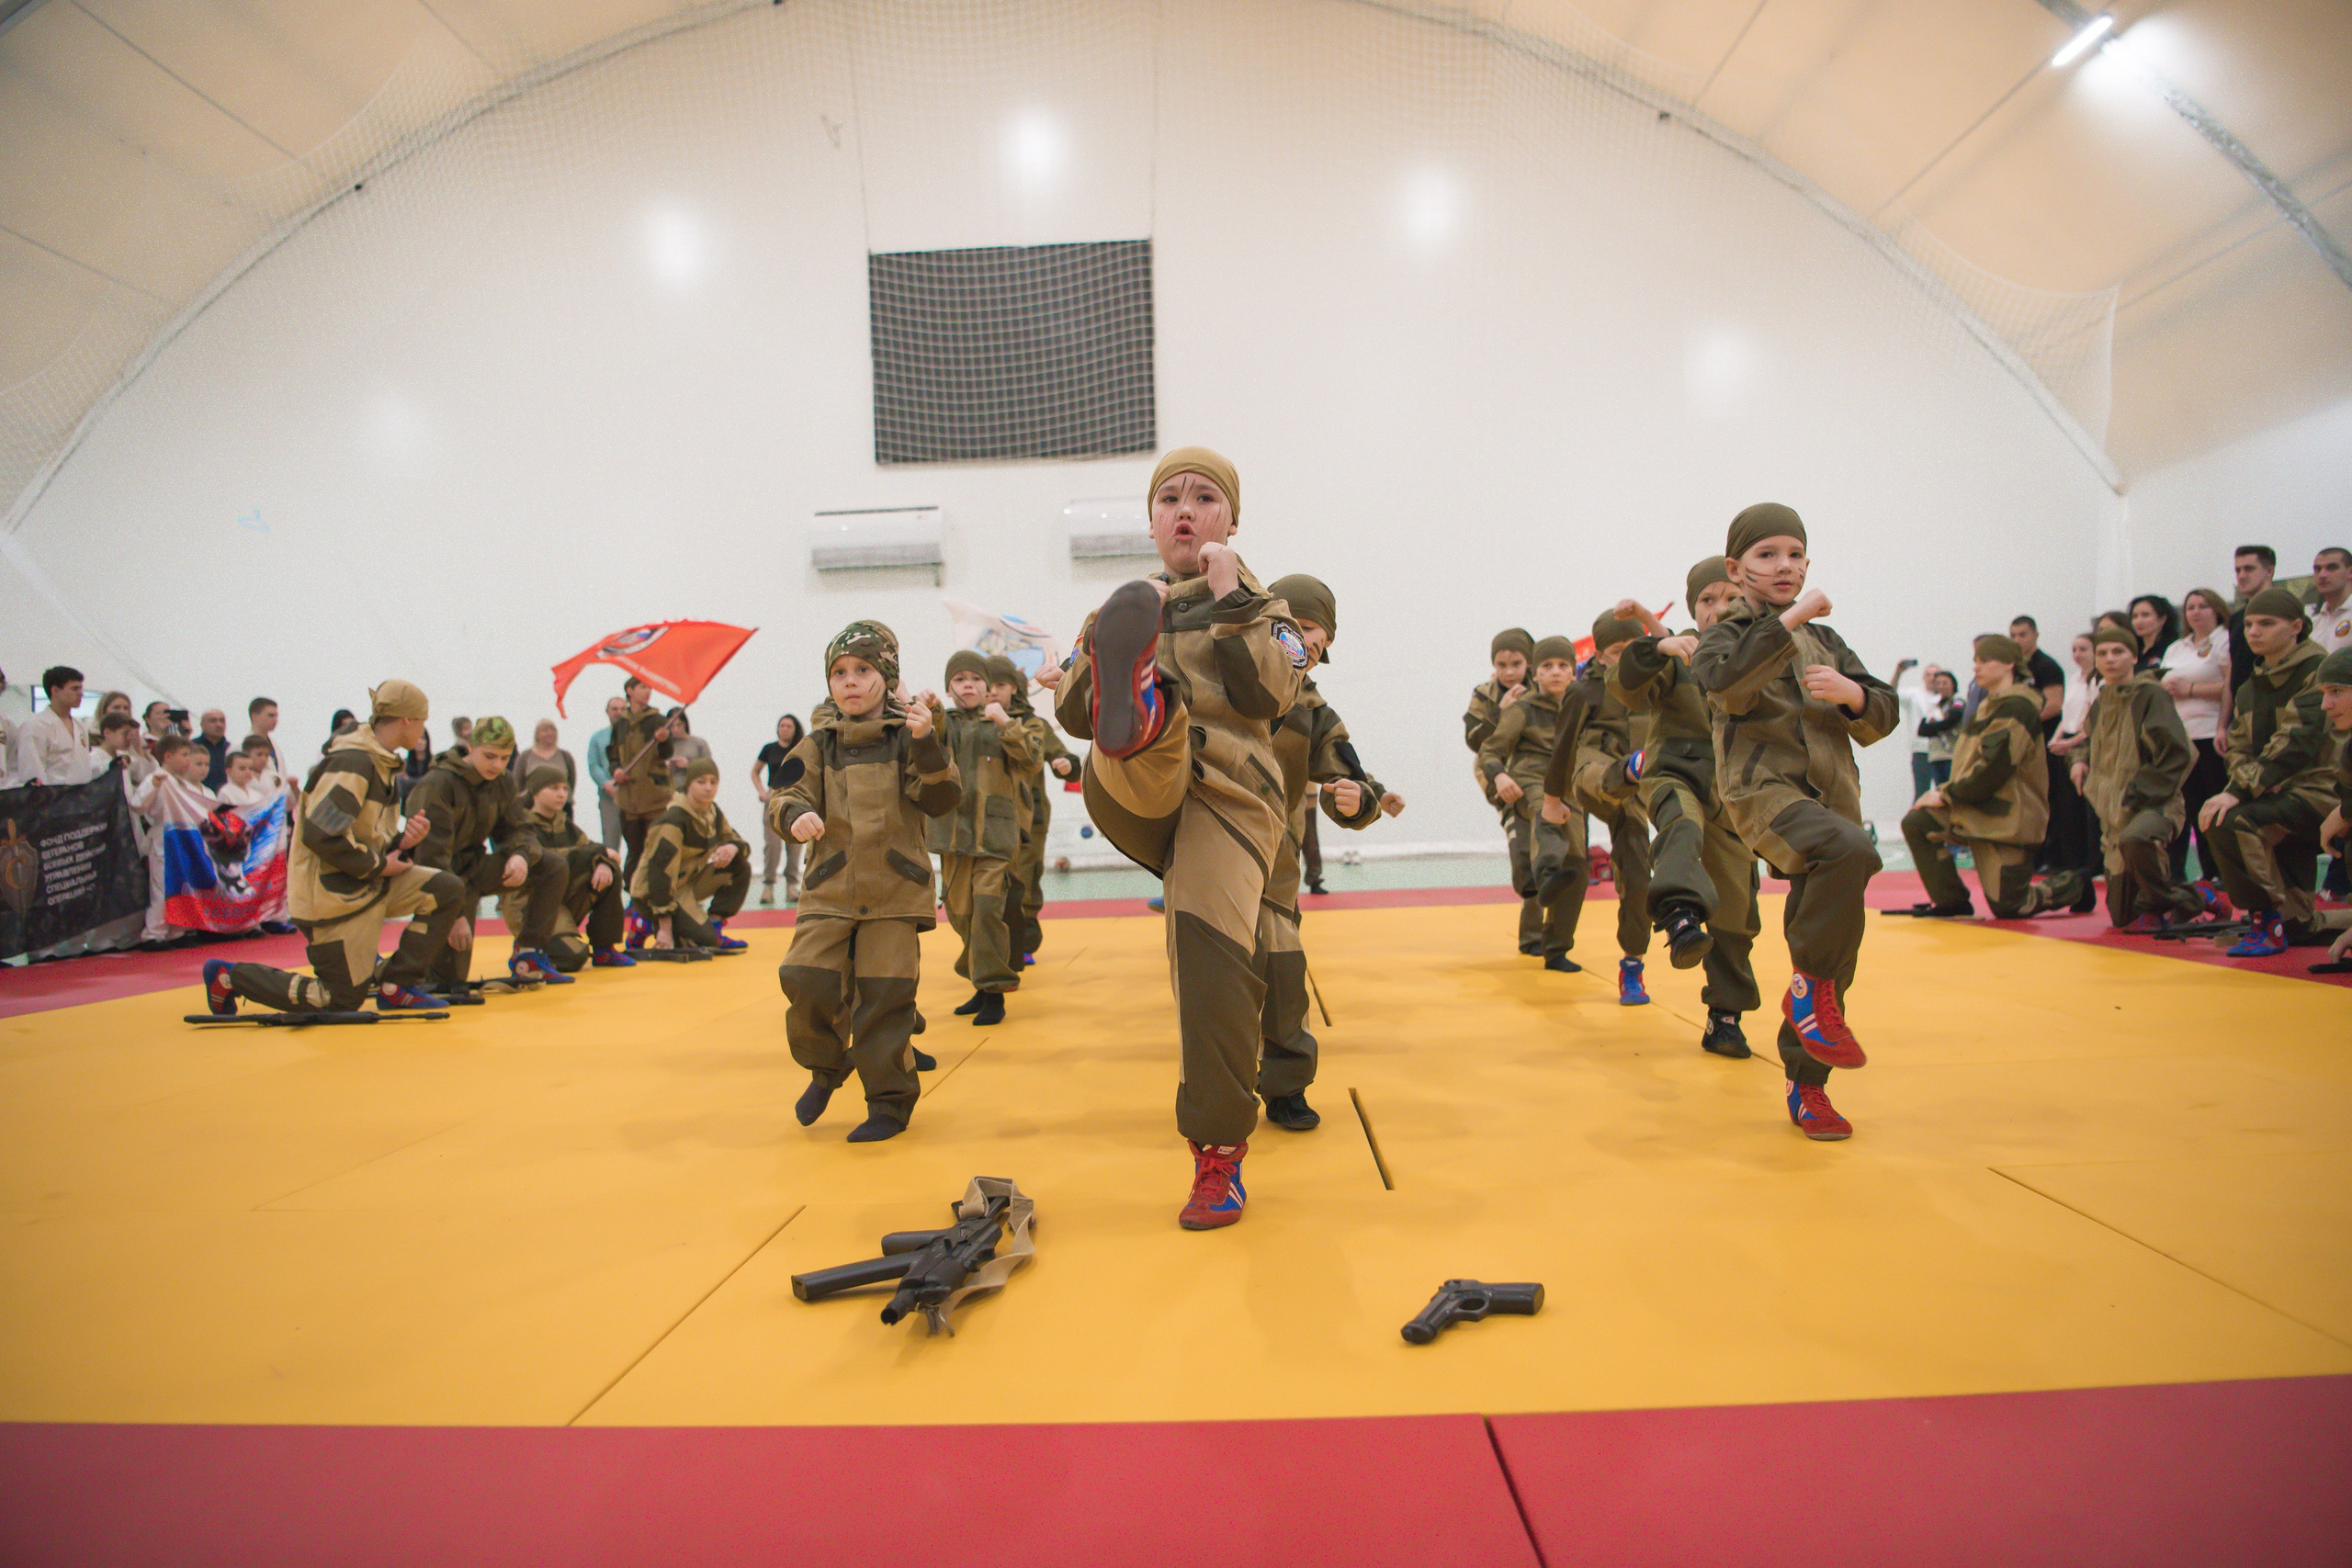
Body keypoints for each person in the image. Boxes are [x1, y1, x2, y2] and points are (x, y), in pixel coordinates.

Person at [1050, 446, 1308, 1228]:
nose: (1184, 510)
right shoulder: (1121, 607)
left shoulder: (1271, 612)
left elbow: (1272, 688)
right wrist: (1103, 667)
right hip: (1135, 787)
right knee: (1126, 736)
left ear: (1232, 518)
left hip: (1229, 797)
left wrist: (1231, 602)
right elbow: (1068, 708)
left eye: (1204, 497)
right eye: (1169, 498)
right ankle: (1145, 707)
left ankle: (1218, 1158)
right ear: (1153, 519)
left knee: (1206, 960)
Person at [1690, 503, 1897, 1143]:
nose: (1785, 565)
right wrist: (1794, 615)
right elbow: (1725, 685)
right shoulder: (1726, 632)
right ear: (1738, 568)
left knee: (1835, 956)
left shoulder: (1828, 643)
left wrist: (1855, 695)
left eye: (1795, 554)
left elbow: (1883, 710)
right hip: (1763, 795)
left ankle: (1807, 1082)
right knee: (1851, 852)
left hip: (1831, 797)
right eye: (1767, 555)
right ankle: (1809, 994)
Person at [771, 621, 961, 1143]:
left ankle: (889, 1104)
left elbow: (942, 799)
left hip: (894, 892)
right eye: (838, 673)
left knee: (885, 998)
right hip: (830, 888)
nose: (849, 682)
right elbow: (785, 794)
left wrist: (926, 743)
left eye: (862, 670)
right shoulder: (817, 745)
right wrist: (793, 817)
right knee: (804, 978)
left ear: (887, 676)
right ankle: (827, 1066)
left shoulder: (909, 738)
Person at [202, 681, 468, 1017]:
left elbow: (361, 836)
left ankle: (394, 984)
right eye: (421, 722)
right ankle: (229, 976)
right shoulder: (354, 763)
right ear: (405, 721)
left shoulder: (379, 762)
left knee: (445, 888)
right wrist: (379, 866)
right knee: (337, 999)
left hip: (359, 882)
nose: (422, 731)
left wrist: (403, 843)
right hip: (330, 895)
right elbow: (321, 834)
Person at [1259, 574, 1398, 1131]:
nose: (1296, 634)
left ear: (1326, 644)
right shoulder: (1220, 681)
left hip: (1276, 863)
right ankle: (1216, 1094)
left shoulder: (1313, 708)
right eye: (1284, 621)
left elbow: (1352, 775)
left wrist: (1357, 799)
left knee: (1284, 971)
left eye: (1309, 626)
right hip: (1208, 853)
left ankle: (1287, 1085)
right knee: (1214, 981)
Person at [1606, 561, 1762, 1058]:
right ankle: (1677, 915)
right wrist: (1656, 647)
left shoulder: (1767, 652)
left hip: (1736, 795)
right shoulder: (1679, 655)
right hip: (1676, 772)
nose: (1719, 610)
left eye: (1730, 597)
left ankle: (1725, 1017)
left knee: (1737, 915)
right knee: (1680, 825)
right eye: (1706, 601)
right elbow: (1624, 685)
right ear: (1693, 609)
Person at [2036, 625, 2218, 931]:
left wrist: (2139, 794)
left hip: (2153, 805)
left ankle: (2178, 899)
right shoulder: (2102, 701)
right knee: (2123, 917)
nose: (2110, 659)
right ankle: (2193, 895)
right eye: (2103, 653)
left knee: (2137, 838)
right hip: (2112, 813)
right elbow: (2084, 741)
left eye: (2118, 651)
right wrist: (2078, 762)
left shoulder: (2151, 696)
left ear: (2134, 657)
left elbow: (2179, 754)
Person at [2201, 587, 2333, 957]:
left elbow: (2299, 740)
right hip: (2274, 793)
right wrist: (2256, 783)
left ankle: (2263, 918)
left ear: (2296, 627)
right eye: (2249, 624)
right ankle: (2283, 922)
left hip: (2322, 792)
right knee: (2302, 929)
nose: (2254, 631)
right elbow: (2238, 749)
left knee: (2225, 818)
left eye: (2266, 623)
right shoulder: (2249, 686)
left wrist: (2243, 789)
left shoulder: (2318, 671)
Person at [1904, 635, 2066, 920]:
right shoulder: (1989, 706)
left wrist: (1945, 794)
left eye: (1985, 660)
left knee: (2011, 907)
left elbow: (1995, 768)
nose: (1976, 667)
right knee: (1918, 822)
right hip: (1978, 806)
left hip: (2006, 817)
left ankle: (2072, 886)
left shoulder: (2018, 707)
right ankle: (1952, 901)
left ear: (2009, 665)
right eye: (1975, 661)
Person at [408, 716, 572, 989]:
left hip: (474, 869)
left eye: (505, 758)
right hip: (440, 879)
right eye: (490, 756)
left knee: (552, 865)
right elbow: (430, 858)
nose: (497, 765)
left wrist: (520, 854)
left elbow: (519, 829)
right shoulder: (437, 783)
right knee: (449, 981)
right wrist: (455, 915)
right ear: (471, 748)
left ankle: (529, 954)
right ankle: (387, 973)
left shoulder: (503, 781)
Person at [1544, 611, 1655, 1006]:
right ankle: (1551, 933)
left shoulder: (1658, 681)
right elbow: (1562, 749)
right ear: (1601, 654)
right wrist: (1552, 800)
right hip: (1592, 773)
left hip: (1638, 783)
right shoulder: (1583, 691)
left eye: (1634, 649)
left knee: (1638, 872)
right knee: (1598, 779)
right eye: (1617, 651)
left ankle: (1633, 965)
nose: (1628, 658)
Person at [929, 649, 1035, 1025]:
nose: (968, 685)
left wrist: (1006, 723)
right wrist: (929, 712)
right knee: (962, 915)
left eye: (975, 679)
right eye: (959, 680)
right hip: (953, 836)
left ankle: (994, 992)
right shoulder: (946, 725)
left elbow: (1031, 759)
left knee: (988, 908)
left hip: (994, 835)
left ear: (988, 687)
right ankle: (979, 982)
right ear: (949, 687)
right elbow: (927, 743)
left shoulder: (1005, 723)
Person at [1483, 636, 1587, 973]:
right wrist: (1499, 776)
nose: (1555, 672)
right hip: (1530, 780)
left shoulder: (1584, 707)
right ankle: (1547, 874)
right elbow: (1490, 749)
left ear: (1574, 672)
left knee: (1577, 868)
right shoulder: (1522, 708)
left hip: (1571, 785)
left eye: (1563, 666)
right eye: (1547, 666)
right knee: (1547, 817)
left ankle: (1553, 948)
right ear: (1535, 673)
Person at [987, 657, 1077, 962]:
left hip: (1029, 817)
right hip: (985, 818)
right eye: (988, 685)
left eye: (1001, 684)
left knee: (1024, 878)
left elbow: (1060, 754)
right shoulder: (971, 725)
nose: (994, 691)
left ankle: (1024, 939)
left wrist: (1065, 764)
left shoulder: (1033, 724)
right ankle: (992, 943)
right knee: (989, 883)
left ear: (1015, 688)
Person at [509, 766, 634, 969]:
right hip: (531, 905)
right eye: (553, 788)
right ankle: (525, 948)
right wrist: (599, 854)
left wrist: (603, 862)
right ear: (535, 791)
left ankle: (604, 949)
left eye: (565, 789)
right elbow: (547, 860)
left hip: (560, 900)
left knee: (609, 870)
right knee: (574, 957)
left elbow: (590, 849)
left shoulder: (565, 825)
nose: (561, 794)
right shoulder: (522, 826)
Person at [1464, 628, 1541, 952]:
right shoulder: (1485, 692)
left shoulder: (1542, 687)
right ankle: (1533, 933)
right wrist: (1500, 713)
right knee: (1523, 854)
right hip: (1501, 776)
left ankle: (1548, 934)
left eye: (1516, 663)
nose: (1509, 671)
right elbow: (1473, 740)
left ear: (1529, 662)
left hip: (1541, 775)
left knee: (1551, 855)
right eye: (1501, 664)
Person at [628, 756, 751, 953]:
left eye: (713, 782)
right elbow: (660, 874)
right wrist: (665, 929)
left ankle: (715, 926)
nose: (708, 788)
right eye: (701, 782)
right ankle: (645, 921)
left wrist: (732, 848)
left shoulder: (712, 812)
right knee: (703, 941)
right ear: (688, 785)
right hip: (654, 892)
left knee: (740, 865)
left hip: (685, 885)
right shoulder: (674, 820)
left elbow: (738, 841)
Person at [2163, 587, 2235, 879]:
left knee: (2213, 804)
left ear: (2217, 610)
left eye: (2202, 606)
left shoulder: (2224, 640)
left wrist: (2190, 690)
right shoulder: (2177, 647)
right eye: (2190, 607)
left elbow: (2231, 684)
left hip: (2211, 733)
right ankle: (2193, 873)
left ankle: (2220, 871)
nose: (2195, 612)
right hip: (2182, 737)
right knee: (2188, 807)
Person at [130, 735, 220, 947]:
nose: (188, 760)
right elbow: (137, 805)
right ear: (168, 756)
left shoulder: (182, 782)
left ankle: (177, 931)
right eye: (184, 755)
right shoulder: (157, 777)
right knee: (162, 887)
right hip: (163, 836)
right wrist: (153, 785)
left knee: (182, 885)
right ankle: (154, 933)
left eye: (189, 755)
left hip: (184, 837)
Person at [608, 679, 674, 883]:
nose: (648, 692)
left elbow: (667, 753)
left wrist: (665, 741)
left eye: (650, 688)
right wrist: (616, 770)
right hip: (629, 801)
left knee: (655, 850)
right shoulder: (620, 724)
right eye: (643, 687)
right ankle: (634, 896)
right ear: (630, 690)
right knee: (634, 851)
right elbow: (612, 755)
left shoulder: (658, 721)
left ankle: (655, 896)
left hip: (655, 800)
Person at [753, 713, 807, 907]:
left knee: (795, 843)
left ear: (795, 729)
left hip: (795, 797)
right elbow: (755, 771)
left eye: (788, 726)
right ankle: (768, 886)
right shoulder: (769, 749)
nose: (784, 729)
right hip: (773, 797)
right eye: (781, 726)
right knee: (772, 845)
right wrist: (762, 792)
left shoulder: (801, 748)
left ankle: (792, 885)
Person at [19, 666, 92, 785]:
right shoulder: (35, 725)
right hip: (52, 797)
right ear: (55, 691)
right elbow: (33, 771)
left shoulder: (80, 726)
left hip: (81, 796)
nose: (80, 694)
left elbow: (86, 767)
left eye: (81, 688)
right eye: (74, 689)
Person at [2229, 545, 2277, 693]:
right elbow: (2233, 673)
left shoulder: (2284, 614)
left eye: (2249, 569)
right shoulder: (2237, 619)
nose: (2241, 576)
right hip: (2241, 707)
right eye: (2238, 570)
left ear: (2269, 571)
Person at [516, 719, 576, 824]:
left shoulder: (565, 756)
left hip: (562, 807)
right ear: (537, 734)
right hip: (531, 809)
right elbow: (518, 783)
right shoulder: (525, 756)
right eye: (545, 730)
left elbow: (571, 781)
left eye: (553, 730)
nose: (550, 733)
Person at [588, 695, 625, 852]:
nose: (619, 712)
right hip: (608, 797)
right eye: (614, 709)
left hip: (634, 798)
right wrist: (605, 783)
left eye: (623, 709)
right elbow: (593, 764)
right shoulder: (598, 737)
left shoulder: (635, 736)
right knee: (610, 843)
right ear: (607, 712)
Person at [2310, 547, 2352, 654]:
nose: (2322, 575)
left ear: (2350, 572)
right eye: (2317, 569)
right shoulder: (2313, 624)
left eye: (2332, 568)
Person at [662, 708, 712, 795]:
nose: (675, 729)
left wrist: (689, 764)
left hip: (694, 793)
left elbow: (709, 769)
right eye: (672, 726)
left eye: (679, 725)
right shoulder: (665, 746)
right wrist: (667, 765)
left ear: (684, 724)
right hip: (671, 792)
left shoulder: (699, 743)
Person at [2129, 596, 2180, 675]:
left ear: (2162, 619)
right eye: (2135, 616)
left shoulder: (2174, 648)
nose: (2139, 621)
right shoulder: (2132, 650)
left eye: (2145, 615)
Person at [194, 709, 232, 790]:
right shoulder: (192, 747)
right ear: (202, 725)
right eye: (213, 721)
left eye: (222, 721)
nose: (219, 725)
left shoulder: (231, 750)